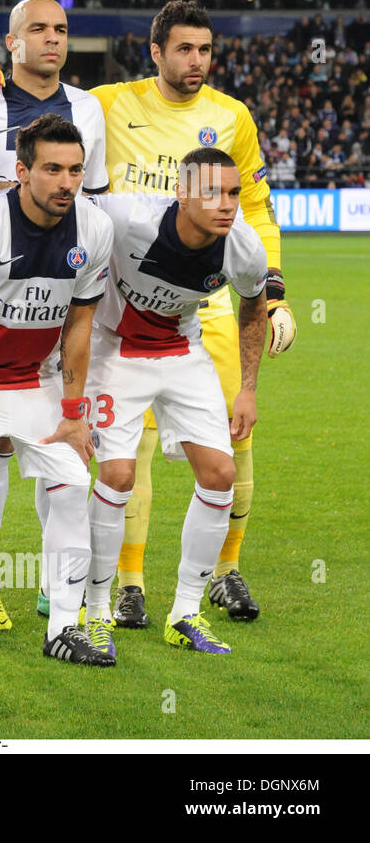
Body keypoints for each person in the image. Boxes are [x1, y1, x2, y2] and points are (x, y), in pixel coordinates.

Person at [89, 1, 293, 625]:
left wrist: (275, 290)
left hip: (204, 306)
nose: (197, 61)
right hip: (129, 295)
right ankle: (129, 582)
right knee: (134, 449)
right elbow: (39, 106)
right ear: (155, 52)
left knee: (236, 434)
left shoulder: (232, 117)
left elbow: (254, 208)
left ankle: (225, 572)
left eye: (205, 50)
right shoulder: (108, 103)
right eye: (184, 49)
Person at [0, 114, 114, 671]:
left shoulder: (94, 230)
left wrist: (75, 414)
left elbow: (79, 328)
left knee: (73, 480)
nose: (66, 183)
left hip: (34, 378)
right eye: (53, 169)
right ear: (22, 170)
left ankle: (63, 627)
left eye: (76, 170)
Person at [0, 0, 108, 629]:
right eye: (36, 29)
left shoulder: (88, 109)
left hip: (56, 291)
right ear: (10, 42)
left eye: (61, 30)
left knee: (56, 444)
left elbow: (92, 196)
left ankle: (54, 589)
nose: (51, 39)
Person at [84, 149, 267, 657]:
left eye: (233, 193)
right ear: (182, 194)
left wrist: (247, 387)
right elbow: (62, 222)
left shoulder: (241, 246)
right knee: (118, 476)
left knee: (220, 475)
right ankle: (96, 611)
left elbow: (253, 307)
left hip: (183, 351)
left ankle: (186, 613)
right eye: (213, 193)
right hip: (113, 350)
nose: (227, 204)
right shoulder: (126, 217)